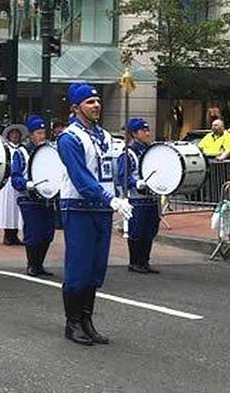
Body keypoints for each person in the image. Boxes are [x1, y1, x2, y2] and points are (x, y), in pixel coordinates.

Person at [57, 82, 133, 345]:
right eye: (90, 102)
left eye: (98, 100)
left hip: (102, 208)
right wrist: (108, 198)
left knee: (95, 268)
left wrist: (123, 190)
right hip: (79, 207)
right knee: (78, 266)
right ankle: (73, 323)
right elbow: (81, 177)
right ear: (75, 107)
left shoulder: (107, 137)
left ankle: (87, 320)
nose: (96, 105)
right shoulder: (69, 138)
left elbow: (113, 171)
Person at [14, 115, 56, 277]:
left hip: (47, 197)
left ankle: (40, 264)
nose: (42, 136)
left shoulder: (49, 151)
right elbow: (16, 177)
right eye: (38, 133)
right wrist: (26, 184)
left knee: (47, 233)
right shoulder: (22, 152)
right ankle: (32, 264)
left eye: (43, 133)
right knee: (34, 232)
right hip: (29, 198)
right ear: (31, 135)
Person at [117, 118, 160, 274]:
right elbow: (122, 176)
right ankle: (135, 262)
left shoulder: (151, 151)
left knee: (150, 230)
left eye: (148, 130)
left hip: (151, 197)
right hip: (137, 199)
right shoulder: (128, 153)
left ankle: (145, 261)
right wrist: (136, 183)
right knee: (138, 230)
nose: (147, 133)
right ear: (134, 134)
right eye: (143, 130)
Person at [0, 124, 25, 246]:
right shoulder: (5, 148)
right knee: (8, 207)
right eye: (13, 133)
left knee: (17, 209)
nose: (15, 136)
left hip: (19, 181)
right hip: (8, 182)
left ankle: (15, 233)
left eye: (17, 133)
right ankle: (7, 234)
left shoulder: (22, 149)